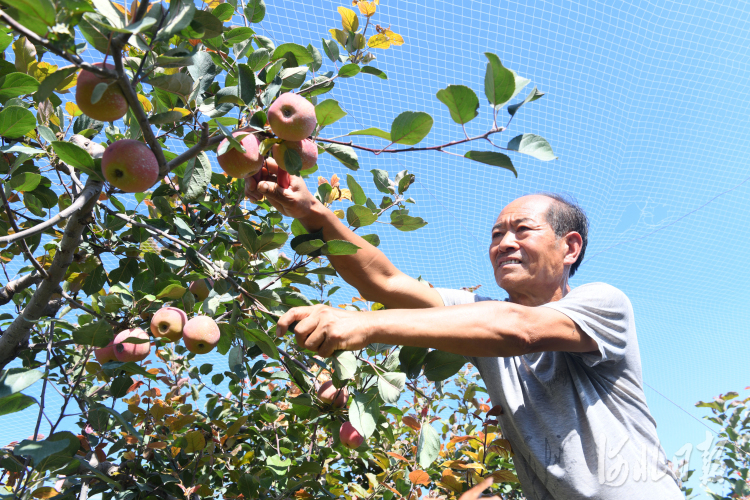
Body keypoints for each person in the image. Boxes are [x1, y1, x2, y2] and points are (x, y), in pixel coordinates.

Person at [246, 163, 684, 499]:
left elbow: (520, 330)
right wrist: (312, 212)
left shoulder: (603, 303)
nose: (504, 243)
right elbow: (385, 282)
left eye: (522, 230)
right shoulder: (478, 315)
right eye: (496, 234)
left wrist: (364, 324)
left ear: (569, 247)